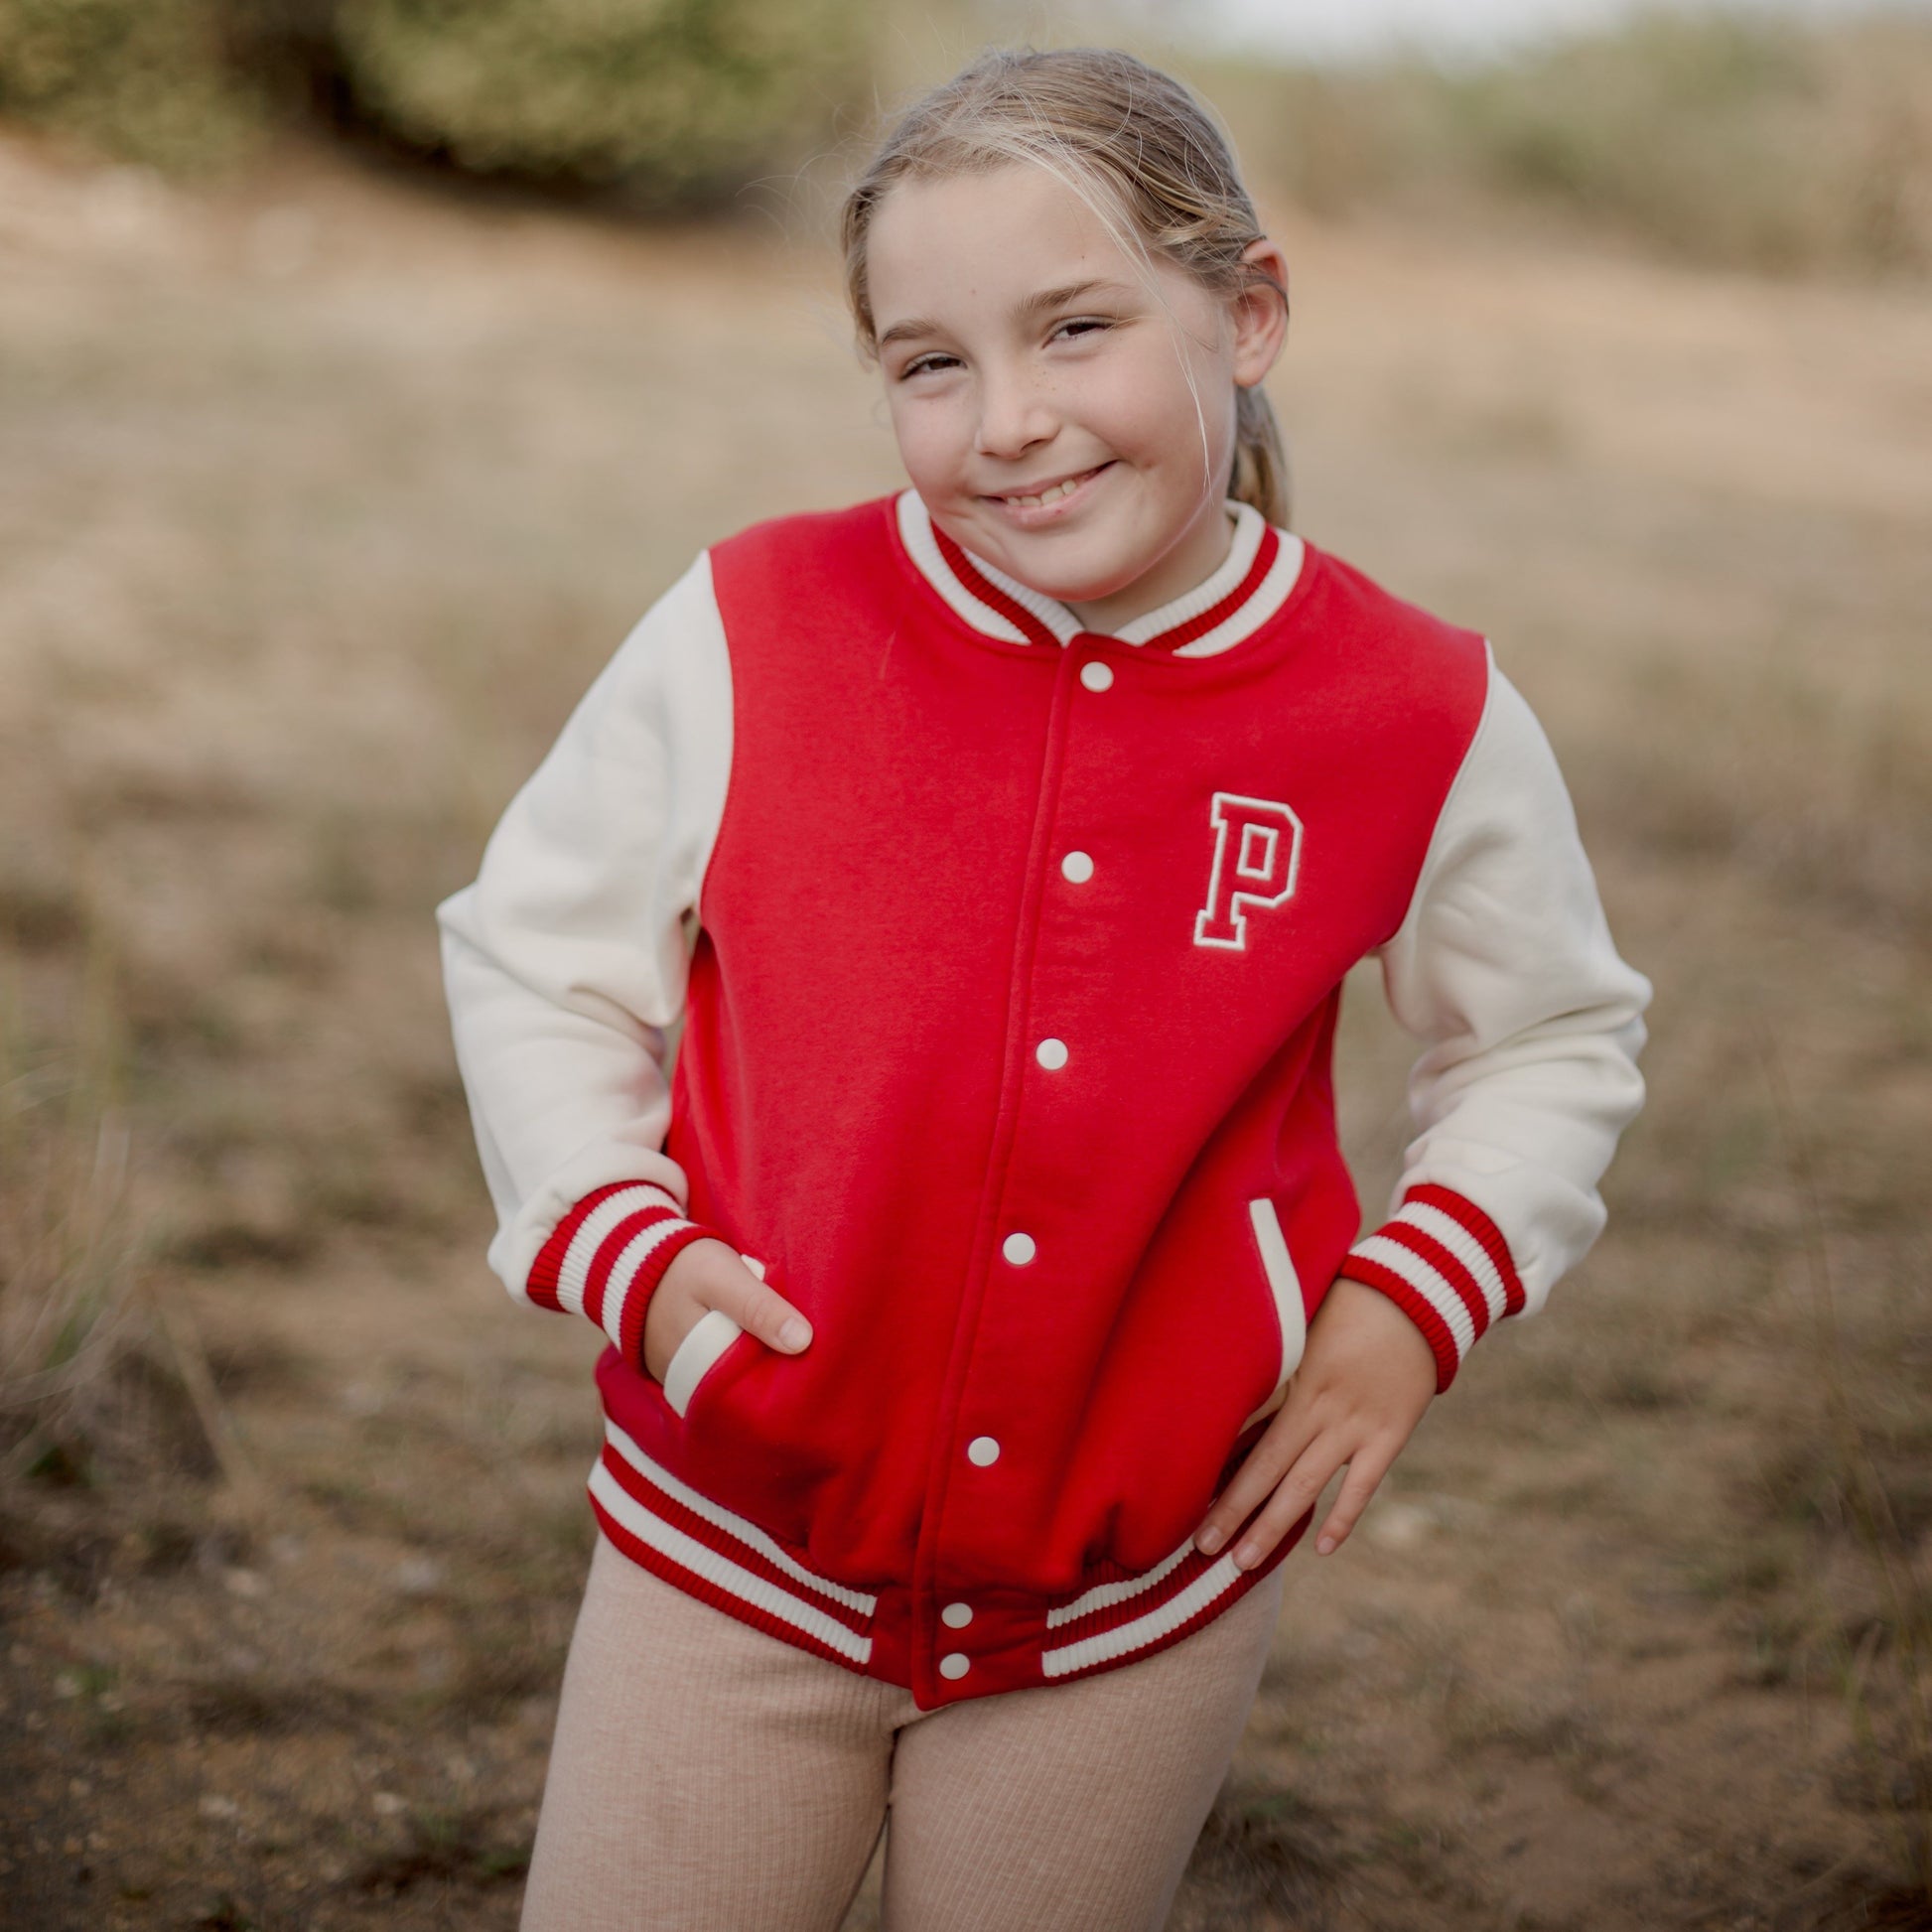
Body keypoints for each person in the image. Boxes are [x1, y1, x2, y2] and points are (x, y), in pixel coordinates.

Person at [435, 44, 1651, 1932]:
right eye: (930, 362)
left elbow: (1552, 1036)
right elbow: (534, 953)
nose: (1006, 420)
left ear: (1242, 316)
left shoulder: (1412, 711)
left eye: (1073, 330)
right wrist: (627, 1249)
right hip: (730, 1542)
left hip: (1134, 1595)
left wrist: (1400, 1311)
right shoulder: (754, 626)